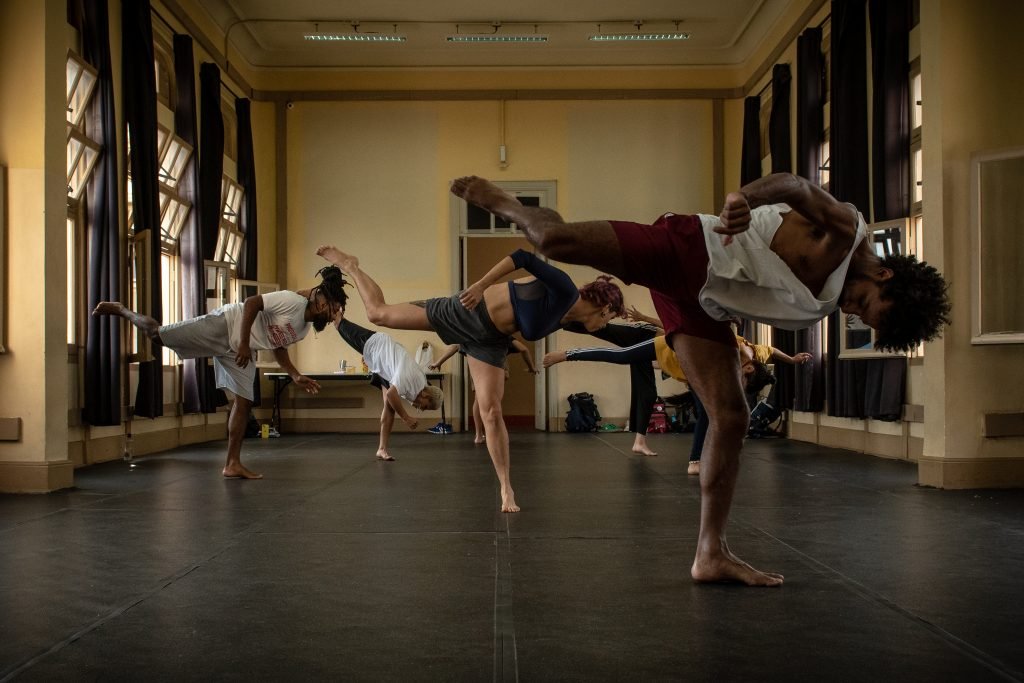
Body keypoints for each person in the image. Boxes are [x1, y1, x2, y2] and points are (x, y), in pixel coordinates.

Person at [450, 172, 950, 586]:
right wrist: (743, 199)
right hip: (687, 249)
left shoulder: (838, 288)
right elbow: (796, 187)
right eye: (866, 306)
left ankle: (711, 554)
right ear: (884, 275)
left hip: (710, 306)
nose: (854, 312)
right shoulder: (842, 231)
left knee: (731, 417)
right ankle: (510, 203)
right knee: (553, 239)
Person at [317, 244, 624, 513]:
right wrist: (479, 285)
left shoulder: (571, 320)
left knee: (490, 410)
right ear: (604, 306)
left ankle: (506, 487)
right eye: (609, 317)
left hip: (489, 342)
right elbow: (523, 257)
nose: (604, 325)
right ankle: (351, 266)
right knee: (378, 315)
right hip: (466, 312)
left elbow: (618, 338)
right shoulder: (566, 290)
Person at [92, 267, 350, 480]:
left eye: (332, 311)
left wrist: (294, 374)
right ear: (317, 296)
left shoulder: (303, 329)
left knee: (244, 400)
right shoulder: (291, 301)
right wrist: (243, 342)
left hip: (239, 350)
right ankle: (122, 310)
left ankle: (232, 464)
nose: (327, 312)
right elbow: (251, 303)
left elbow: (278, 346)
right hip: (227, 326)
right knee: (157, 336)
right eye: (326, 305)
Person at [544, 328, 809, 475]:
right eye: (743, 382)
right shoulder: (737, 350)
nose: (737, 385)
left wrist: (793, 359)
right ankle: (567, 354)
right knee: (621, 356)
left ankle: (695, 461)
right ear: (748, 369)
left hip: (689, 370)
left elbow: (772, 350)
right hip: (668, 348)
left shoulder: (757, 355)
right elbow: (729, 334)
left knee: (707, 412)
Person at [334, 314, 444, 461]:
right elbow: (393, 394)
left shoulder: (422, 389)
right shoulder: (410, 379)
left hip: (384, 366)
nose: (421, 409)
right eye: (425, 407)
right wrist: (406, 418)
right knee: (339, 324)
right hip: (374, 344)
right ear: (426, 396)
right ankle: (332, 308)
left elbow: (432, 394)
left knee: (390, 407)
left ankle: (381, 449)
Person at [561, 306, 662, 455]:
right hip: (644, 335)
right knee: (599, 328)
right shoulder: (689, 335)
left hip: (649, 349)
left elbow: (660, 364)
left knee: (649, 394)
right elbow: (669, 326)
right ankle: (559, 320)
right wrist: (644, 317)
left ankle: (639, 442)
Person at [431, 338, 539, 444]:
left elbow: (455, 346)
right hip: (497, 369)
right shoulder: (500, 335)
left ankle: (479, 434)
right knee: (493, 402)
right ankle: (491, 433)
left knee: (479, 401)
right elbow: (524, 349)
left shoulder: (472, 335)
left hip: (479, 370)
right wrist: (531, 367)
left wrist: (438, 362)